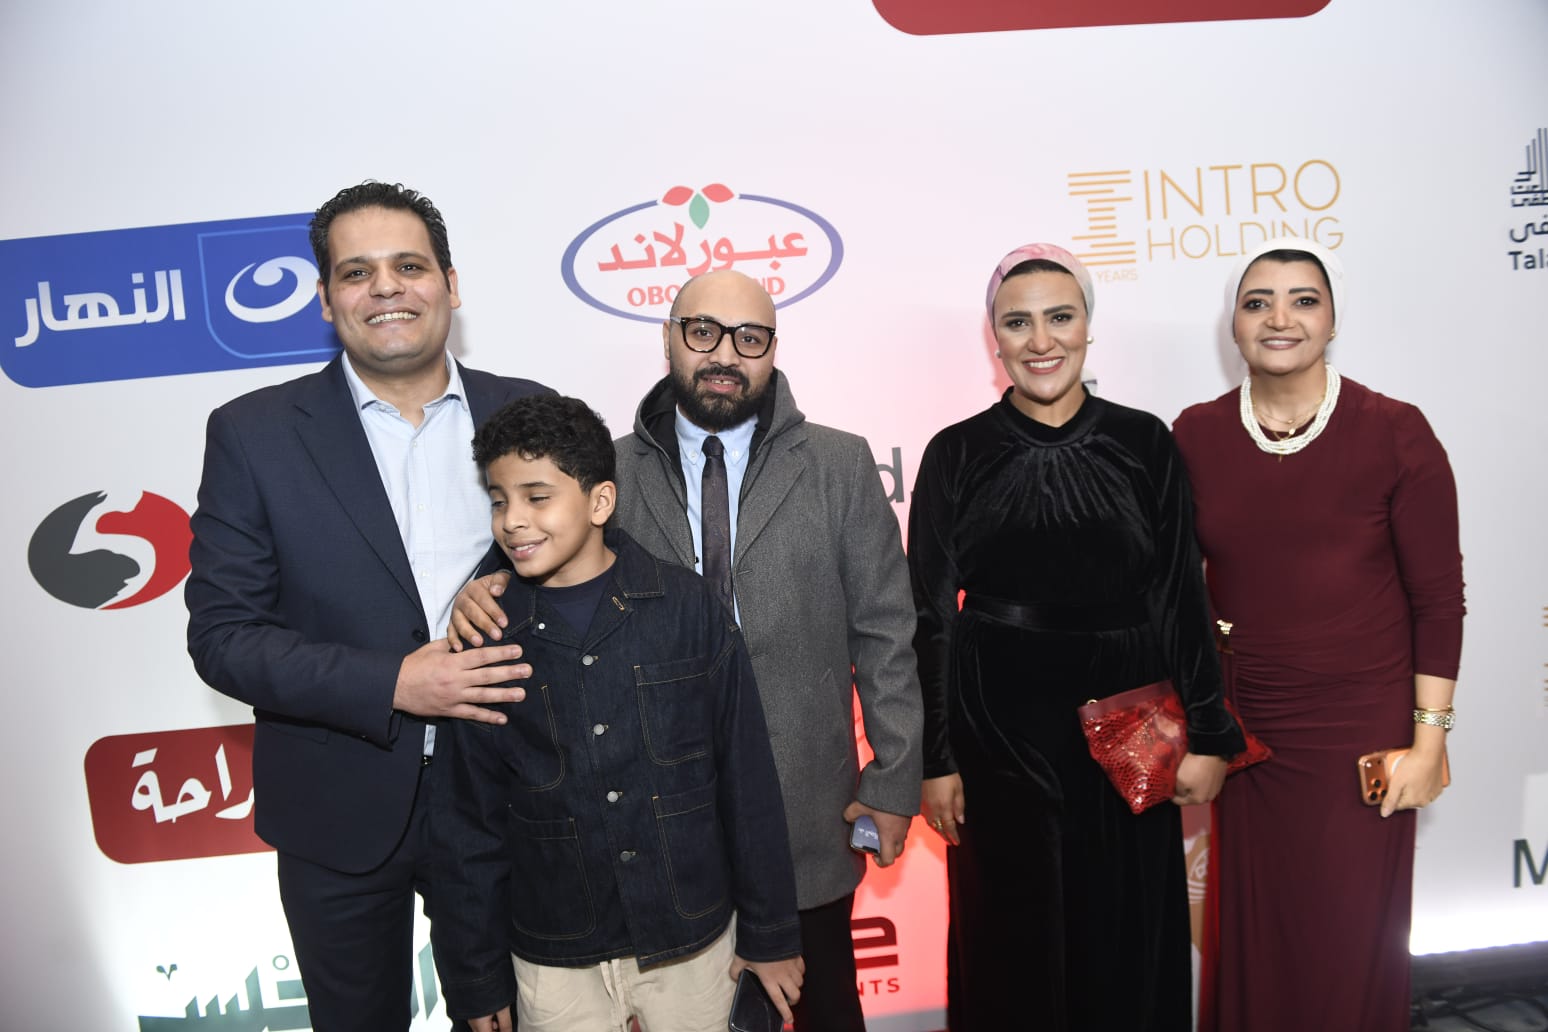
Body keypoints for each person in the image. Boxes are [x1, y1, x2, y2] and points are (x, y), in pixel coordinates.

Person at [451, 269, 923, 1032]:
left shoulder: (838, 464)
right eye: (703, 332)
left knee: (823, 1003)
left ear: (773, 350)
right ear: (669, 339)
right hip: (655, 817)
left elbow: (886, 632)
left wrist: (895, 780)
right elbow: (534, 544)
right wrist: (477, 589)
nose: (724, 355)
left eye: (750, 338)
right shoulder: (610, 468)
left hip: (804, 803)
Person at [185, 181, 552, 1031]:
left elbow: (594, 577)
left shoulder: (530, 411)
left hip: (512, 792)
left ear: (450, 285)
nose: (386, 287)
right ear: (326, 299)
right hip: (335, 805)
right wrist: (395, 682)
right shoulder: (254, 434)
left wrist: (517, 579)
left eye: (409, 266)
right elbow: (225, 638)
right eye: (357, 272)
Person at [909, 243, 1247, 1031]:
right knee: (1012, 940)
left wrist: (1209, 732)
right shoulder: (956, 452)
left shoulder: (1144, 442)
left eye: (1059, 317)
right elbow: (929, 616)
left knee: (1127, 933)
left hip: (1133, 722)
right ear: (994, 338)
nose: (1041, 340)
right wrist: (936, 758)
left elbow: (1180, 596)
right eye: (1017, 322)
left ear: (1088, 327)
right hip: (998, 730)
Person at [430, 394, 803, 1032]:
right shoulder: (485, 639)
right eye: (498, 500)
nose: (513, 521)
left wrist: (770, 933)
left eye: (537, 497)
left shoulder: (688, 608)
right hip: (554, 953)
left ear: (600, 501)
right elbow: (467, 824)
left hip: (694, 941)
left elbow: (747, 779)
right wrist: (474, 977)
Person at [1173, 238, 1464, 1032]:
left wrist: (1429, 744)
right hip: (1249, 732)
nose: (1280, 318)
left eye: (1303, 300)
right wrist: (1204, 725)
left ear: (1332, 321)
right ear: (1233, 324)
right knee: (1258, 940)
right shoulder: (1195, 435)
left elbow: (1439, 602)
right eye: (1257, 301)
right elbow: (1177, 597)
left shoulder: (1395, 432)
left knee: (1347, 942)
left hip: (1360, 737)